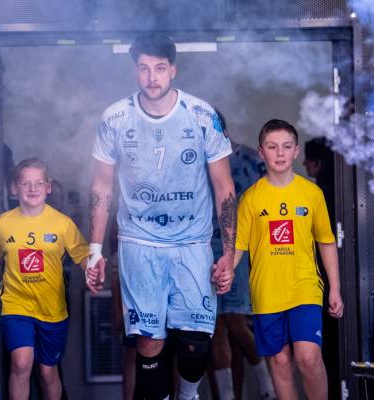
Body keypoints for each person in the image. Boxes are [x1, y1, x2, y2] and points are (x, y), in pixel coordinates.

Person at [86, 34, 236, 400]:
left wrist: (229, 252)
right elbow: (102, 185)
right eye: (144, 68)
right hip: (139, 243)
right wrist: (95, 250)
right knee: (148, 343)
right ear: (134, 70)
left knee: (196, 342)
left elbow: (224, 187)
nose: (152, 77)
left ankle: (188, 394)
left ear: (173, 70)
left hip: (191, 243)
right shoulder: (115, 117)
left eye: (159, 68)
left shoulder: (202, 115)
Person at [233, 119, 344, 400]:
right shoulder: (250, 199)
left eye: (286, 146)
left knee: (308, 357)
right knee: (280, 360)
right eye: (272, 147)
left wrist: (335, 288)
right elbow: (238, 247)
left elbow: (326, 241)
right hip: (266, 293)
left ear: (296, 152)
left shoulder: (312, 194)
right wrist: (225, 271)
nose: (280, 153)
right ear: (261, 152)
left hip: (304, 288)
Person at [0, 158, 95, 400]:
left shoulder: (62, 224)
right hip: (16, 305)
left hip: (52, 309)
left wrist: (91, 272)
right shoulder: (3, 223)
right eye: (25, 183)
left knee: (47, 373)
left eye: (39, 183)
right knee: (21, 363)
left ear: (48, 187)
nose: (32, 188)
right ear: (14, 188)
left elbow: (83, 255)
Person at [210, 113, 275, 400]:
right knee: (215, 327)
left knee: (236, 323)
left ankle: (268, 389)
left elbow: (270, 203)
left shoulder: (249, 159)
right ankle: (227, 395)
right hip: (204, 251)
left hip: (239, 251)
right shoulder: (196, 163)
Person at [303, 137, 340, 399]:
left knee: (325, 349)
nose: (304, 164)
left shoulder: (317, 195)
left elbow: (322, 243)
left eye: (307, 160)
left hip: (322, 282)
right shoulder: (339, 190)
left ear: (316, 163)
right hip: (336, 281)